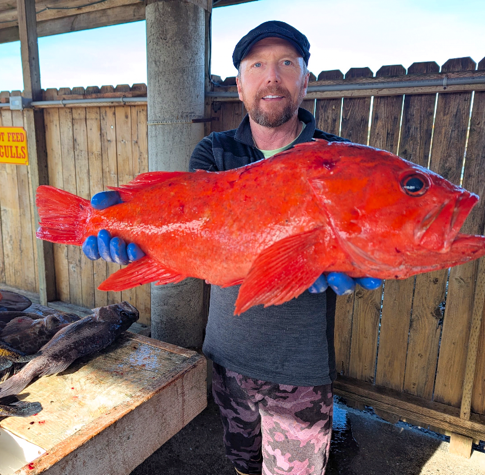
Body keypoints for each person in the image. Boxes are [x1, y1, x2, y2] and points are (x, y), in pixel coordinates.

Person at [82, 21, 381, 475]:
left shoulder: (337, 159)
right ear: (240, 85)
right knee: (241, 464)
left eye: (286, 63)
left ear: (305, 79)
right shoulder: (215, 151)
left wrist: (358, 259)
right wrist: (139, 244)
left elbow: (366, 234)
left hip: (300, 366)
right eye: (256, 65)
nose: (271, 76)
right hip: (225, 355)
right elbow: (190, 234)